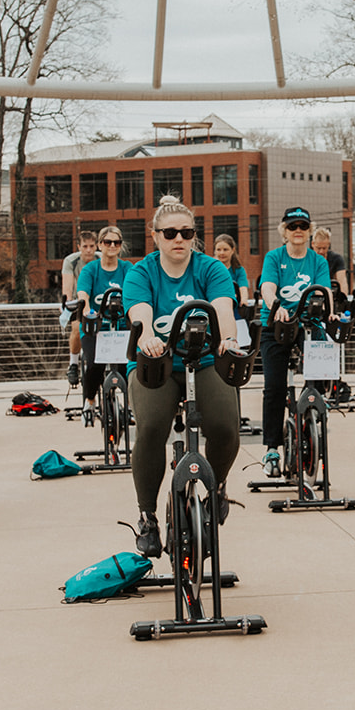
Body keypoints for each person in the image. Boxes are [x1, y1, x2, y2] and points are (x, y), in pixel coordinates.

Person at [123, 195, 240, 557]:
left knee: (224, 425)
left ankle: (216, 486)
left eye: (186, 232)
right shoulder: (141, 272)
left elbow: (222, 308)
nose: (179, 239)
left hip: (203, 361)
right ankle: (148, 515)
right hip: (155, 362)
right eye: (170, 232)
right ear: (155, 235)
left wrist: (229, 339)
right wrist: (146, 337)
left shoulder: (211, 269)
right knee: (153, 426)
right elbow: (139, 313)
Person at [256, 206, 332, 476]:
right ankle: (272, 449)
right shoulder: (274, 257)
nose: (297, 231)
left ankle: (311, 410)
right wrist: (275, 305)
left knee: (320, 371)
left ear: (309, 230)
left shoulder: (318, 261)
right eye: (292, 227)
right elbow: (267, 286)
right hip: (276, 324)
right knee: (274, 387)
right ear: (284, 231)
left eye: (302, 226)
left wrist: (330, 311)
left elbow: (324, 290)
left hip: (306, 323)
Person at [74, 226, 131, 419]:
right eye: (107, 242)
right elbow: (83, 294)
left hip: (122, 326)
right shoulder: (91, 269)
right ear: (100, 245)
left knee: (128, 365)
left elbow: (136, 293)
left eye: (116, 242)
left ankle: (131, 407)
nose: (112, 246)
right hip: (96, 327)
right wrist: (88, 311)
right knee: (94, 364)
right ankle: (89, 402)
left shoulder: (127, 268)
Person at [61, 231, 98, 382]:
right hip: (79, 300)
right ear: (79, 247)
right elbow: (67, 288)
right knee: (77, 328)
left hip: (98, 300)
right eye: (85, 246)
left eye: (91, 246)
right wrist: (67, 302)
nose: (88, 250)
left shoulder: (101, 259)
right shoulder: (71, 261)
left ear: (96, 246)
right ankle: (73, 364)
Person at [214, 233, 253, 312]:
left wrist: (244, 300)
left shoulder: (239, 270)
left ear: (233, 250)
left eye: (225, 249)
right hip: (215, 309)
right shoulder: (210, 270)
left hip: (235, 310)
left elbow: (243, 288)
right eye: (218, 250)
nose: (222, 253)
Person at [312, 227, 350, 295]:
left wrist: (344, 299)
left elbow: (342, 281)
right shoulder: (308, 259)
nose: (321, 251)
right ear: (313, 244)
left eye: (324, 248)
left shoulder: (336, 259)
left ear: (328, 245)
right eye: (318, 248)